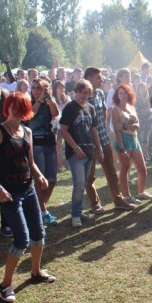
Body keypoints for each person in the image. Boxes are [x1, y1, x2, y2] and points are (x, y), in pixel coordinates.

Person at [0, 93, 56, 303]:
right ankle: (5, 285)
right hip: (9, 194)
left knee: (39, 233)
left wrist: (40, 176)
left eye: (22, 108)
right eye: (14, 107)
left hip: (28, 189)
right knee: (22, 239)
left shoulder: (27, 131)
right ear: (7, 108)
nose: (17, 111)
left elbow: (30, 161)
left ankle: (36, 272)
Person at [84, 67, 135, 213]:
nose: (102, 80)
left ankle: (118, 200)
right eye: (98, 78)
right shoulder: (83, 96)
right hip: (89, 142)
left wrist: (104, 129)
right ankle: (95, 204)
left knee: (111, 171)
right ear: (89, 79)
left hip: (104, 138)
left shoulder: (100, 93)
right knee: (90, 175)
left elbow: (105, 112)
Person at [59, 80, 104, 228]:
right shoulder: (70, 107)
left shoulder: (91, 108)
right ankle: (75, 215)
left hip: (89, 151)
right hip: (75, 153)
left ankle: (79, 211)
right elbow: (64, 130)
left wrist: (99, 148)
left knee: (84, 183)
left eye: (87, 92)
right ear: (77, 91)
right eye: (82, 92)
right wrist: (76, 148)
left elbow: (94, 130)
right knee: (79, 184)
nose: (84, 95)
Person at [111, 84, 152, 204]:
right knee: (125, 169)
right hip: (123, 140)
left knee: (142, 169)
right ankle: (127, 196)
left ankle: (141, 193)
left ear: (129, 94)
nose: (123, 95)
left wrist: (126, 126)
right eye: (120, 93)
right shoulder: (115, 109)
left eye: (125, 93)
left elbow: (138, 125)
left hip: (134, 138)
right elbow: (117, 130)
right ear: (117, 95)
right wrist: (121, 148)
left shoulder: (131, 107)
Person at [27, 78, 59, 226]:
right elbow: (30, 115)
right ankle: (43, 212)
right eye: (33, 88)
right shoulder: (29, 102)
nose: (35, 91)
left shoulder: (48, 102)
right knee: (40, 180)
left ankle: (39, 209)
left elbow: (55, 113)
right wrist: (39, 100)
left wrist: (49, 98)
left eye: (39, 88)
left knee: (52, 179)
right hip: (36, 143)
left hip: (49, 142)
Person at [135, 80, 152, 161]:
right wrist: (141, 112)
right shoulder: (136, 98)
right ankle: (140, 156)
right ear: (138, 89)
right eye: (141, 87)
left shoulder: (148, 98)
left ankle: (146, 155)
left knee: (146, 138)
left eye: (144, 87)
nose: (143, 89)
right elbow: (134, 109)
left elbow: (150, 107)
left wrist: (149, 110)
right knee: (140, 138)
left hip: (148, 120)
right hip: (140, 121)